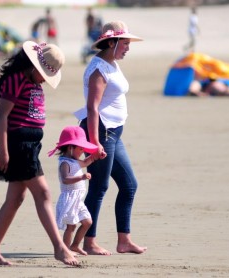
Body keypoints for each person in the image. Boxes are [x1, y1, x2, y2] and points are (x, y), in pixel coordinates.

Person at [0, 41, 79, 266]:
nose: (45, 78)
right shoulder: (15, 79)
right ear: (33, 66)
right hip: (18, 145)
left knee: (15, 199)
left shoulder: (35, 83)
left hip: (31, 147)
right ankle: (59, 247)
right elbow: (1, 116)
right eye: (44, 73)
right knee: (43, 193)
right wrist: (4, 151)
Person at [74, 21, 147, 255]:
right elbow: (92, 108)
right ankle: (87, 241)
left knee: (129, 185)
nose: (128, 48)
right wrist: (94, 143)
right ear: (112, 42)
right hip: (101, 132)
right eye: (125, 43)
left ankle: (124, 241)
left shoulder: (112, 63)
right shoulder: (98, 68)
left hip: (114, 133)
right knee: (99, 186)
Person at [48, 126, 103, 255]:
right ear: (70, 148)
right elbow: (65, 179)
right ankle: (65, 250)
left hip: (78, 200)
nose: (82, 151)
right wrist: (81, 177)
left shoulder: (75, 161)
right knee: (71, 226)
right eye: (80, 149)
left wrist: (96, 156)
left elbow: (86, 162)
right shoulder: (65, 163)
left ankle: (75, 245)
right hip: (69, 199)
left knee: (87, 222)